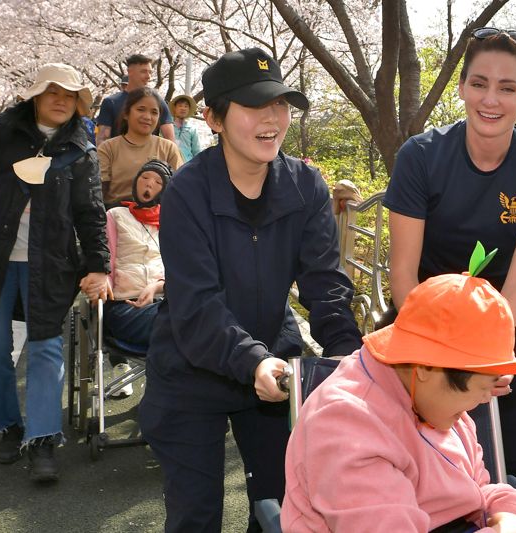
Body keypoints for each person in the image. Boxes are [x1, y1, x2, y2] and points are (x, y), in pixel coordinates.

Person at [138, 47, 363, 533]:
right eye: (253, 106)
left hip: (275, 366)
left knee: (283, 507)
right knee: (195, 514)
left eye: (280, 104)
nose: (272, 119)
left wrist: (350, 356)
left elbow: (324, 283)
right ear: (213, 118)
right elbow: (197, 305)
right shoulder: (187, 192)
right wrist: (251, 359)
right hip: (191, 366)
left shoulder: (306, 185)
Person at [384, 28, 516, 496]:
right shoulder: (420, 157)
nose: (491, 99)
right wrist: (438, 356)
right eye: (479, 83)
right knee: (399, 462)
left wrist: (486, 361)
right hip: (421, 318)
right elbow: (403, 273)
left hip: (502, 324)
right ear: (462, 86)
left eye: (508, 88)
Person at [282, 271, 516, 532]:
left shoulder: (431, 401)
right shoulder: (344, 427)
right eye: (482, 388)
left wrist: (515, 514)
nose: (485, 400)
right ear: (427, 368)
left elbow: (477, 489)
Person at [0, 63, 110, 482]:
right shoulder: (2, 131)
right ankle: (8, 426)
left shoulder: (81, 148)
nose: (62, 101)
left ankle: (42, 438)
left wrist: (99, 265)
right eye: (53, 92)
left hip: (50, 261)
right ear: (36, 96)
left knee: (45, 347)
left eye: (70, 95)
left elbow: (90, 212)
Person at [103, 159, 171, 397]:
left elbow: (181, 270)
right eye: (144, 178)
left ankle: (164, 399)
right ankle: (161, 400)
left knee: (186, 316)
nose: (149, 184)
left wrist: (157, 286)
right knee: (181, 321)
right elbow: (104, 262)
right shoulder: (115, 215)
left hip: (164, 301)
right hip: (125, 306)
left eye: (157, 182)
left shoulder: (172, 222)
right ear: (135, 182)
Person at [97, 87, 182, 206]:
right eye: (141, 109)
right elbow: (99, 193)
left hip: (157, 218)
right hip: (116, 216)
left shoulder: (168, 148)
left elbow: (180, 190)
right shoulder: (108, 148)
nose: (147, 117)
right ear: (126, 113)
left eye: (154, 112)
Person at [95, 54, 175, 145]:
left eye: (150, 72)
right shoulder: (111, 102)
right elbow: (102, 139)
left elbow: (170, 140)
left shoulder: (158, 102)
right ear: (130, 72)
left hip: (150, 156)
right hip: (117, 156)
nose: (148, 76)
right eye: (143, 71)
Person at [169, 94, 202, 162]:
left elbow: (196, 152)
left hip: (187, 167)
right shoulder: (167, 125)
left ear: (189, 109)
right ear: (175, 108)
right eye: (180, 106)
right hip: (168, 166)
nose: (183, 108)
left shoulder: (192, 129)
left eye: (186, 106)